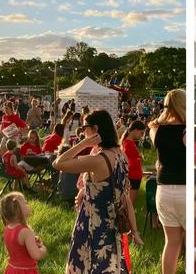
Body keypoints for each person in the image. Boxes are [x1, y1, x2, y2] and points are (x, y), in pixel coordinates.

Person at [52, 109, 141, 272]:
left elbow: (58, 163)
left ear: (96, 129)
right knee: (109, 266)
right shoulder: (121, 156)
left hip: (91, 224)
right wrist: (134, 230)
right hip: (112, 225)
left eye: (85, 126)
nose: (82, 130)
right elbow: (124, 198)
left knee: (86, 266)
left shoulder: (98, 160)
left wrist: (83, 144)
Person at [148, 89, 186, 274]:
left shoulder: (156, 129)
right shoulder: (188, 131)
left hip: (163, 190)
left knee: (171, 242)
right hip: (185, 189)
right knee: (191, 244)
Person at [0, 192, 47, 274]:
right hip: (24, 271)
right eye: (25, 203)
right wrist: (43, 248)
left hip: (12, 269)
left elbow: (18, 247)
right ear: (19, 210)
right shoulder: (26, 232)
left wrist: (33, 242)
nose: (28, 205)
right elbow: (37, 255)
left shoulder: (8, 228)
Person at [121, 120, 147, 205]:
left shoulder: (130, 142)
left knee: (130, 203)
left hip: (135, 176)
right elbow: (127, 162)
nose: (141, 136)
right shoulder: (128, 143)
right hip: (132, 177)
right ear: (135, 130)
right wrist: (138, 159)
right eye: (141, 133)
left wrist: (138, 159)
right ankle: (126, 218)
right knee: (129, 205)